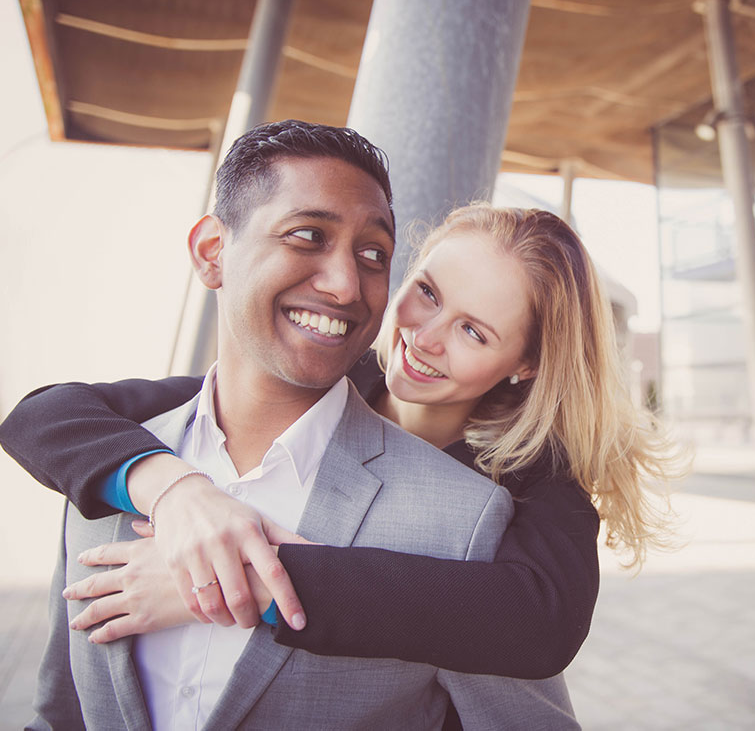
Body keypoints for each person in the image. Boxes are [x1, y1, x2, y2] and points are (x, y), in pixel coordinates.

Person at [23, 119, 578, 729]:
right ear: (213, 253)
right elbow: (42, 413)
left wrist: (238, 581)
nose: (345, 286)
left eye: (371, 254)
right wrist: (175, 489)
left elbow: (538, 624)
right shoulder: (109, 465)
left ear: (523, 365)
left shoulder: (491, 508)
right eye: (308, 234)